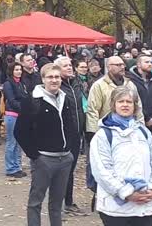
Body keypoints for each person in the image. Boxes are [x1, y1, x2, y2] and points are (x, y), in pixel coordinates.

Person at [90, 87, 152, 226]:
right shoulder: (103, 136)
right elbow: (102, 171)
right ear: (113, 105)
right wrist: (126, 193)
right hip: (116, 209)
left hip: (144, 207)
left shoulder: (143, 131)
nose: (125, 105)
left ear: (135, 106)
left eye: (129, 102)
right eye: (121, 101)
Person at [15, 63, 77, 226]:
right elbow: (20, 131)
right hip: (44, 159)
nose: (54, 80)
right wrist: (35, 156)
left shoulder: (65, 98)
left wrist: (69, 149)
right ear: (43, 79)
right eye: (50, 77)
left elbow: (70, 125)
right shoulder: (33, 100)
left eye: (57, 77)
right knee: (36, 201)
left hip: (64, 159)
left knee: (57, 203)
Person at [54, 56, 86, 216]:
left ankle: (68, 201)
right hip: (62, 136)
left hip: (77, 134)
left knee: (71, 169)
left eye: (70, 65)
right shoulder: (57, 87)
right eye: (65, 65)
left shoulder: (76, 84)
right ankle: (57, 206)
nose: (69, 67)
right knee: (62, 170)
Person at [87, 56, 144, 137]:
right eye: (118, 65)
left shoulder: (130, 84)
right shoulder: (99, 85)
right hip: (108, 130)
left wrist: (141, 126)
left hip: (130, 129)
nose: (122, 67)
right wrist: (94, 133)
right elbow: (93, 110)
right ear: (109, 67)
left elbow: (138, 107)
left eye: (123, 64)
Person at [3, 62, 31, 177]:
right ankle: (11, 168)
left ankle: (17, 166)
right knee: (12, 142)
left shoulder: (22, 83)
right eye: (16, 70)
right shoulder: (8, 84)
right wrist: (23, 107)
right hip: (12, 114)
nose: (19, 71)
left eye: (20, 69)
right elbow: (11, 99)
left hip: (21, 115)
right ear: (11, 71)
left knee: (19, 142)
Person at [128, 55, 152, 129]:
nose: (150, 64)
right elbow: (133, 102)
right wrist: (147, 118)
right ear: (138, 64)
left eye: (151, 62)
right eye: (147, 62)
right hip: (136, 121)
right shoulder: (129, 80)